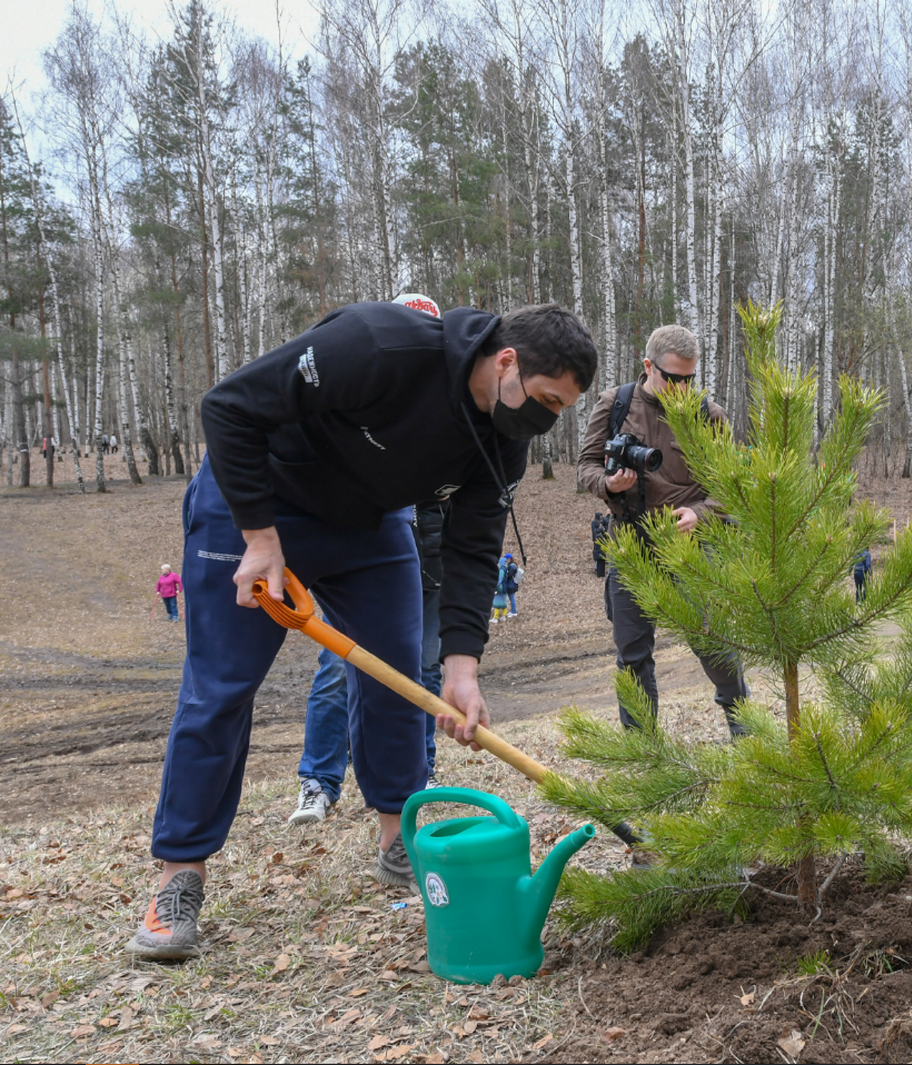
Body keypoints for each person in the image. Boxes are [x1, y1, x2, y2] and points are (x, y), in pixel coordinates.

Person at [127, 299, 594, 961]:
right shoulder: (381, 345)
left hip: (367, 522)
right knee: (221, 687)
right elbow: (228, 407)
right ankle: (179, 876)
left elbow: (472, 548)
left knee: (402, 676)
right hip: (256, 500)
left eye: (560, 411)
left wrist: (462, 666)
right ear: (507, 360)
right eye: (545, 400)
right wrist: (261, 538)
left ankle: (398, 835)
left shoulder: (503, 441)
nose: (544, 421)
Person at [578, 324, 750, 736]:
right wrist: (608, 484)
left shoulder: (709, 415)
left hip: (692, 546)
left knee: (713, 643)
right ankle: (642, 749)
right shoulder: (615, 403)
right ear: (648, 366)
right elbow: (585, 466)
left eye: (690, 379)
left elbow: (733, 487)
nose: (682, 388)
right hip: (632, 542)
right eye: (673, 379)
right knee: (632, 652)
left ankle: (747, 733)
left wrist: (700, 514)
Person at [289, 502, 448, 826]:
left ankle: (421, 773)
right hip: (367, 562)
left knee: (425, 671)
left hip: (437, 569)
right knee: (337, 670)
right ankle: (319, 782)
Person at [499, 552, 522, 619]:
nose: (506, 560)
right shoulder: (512, 565)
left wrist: (505, 574)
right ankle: (512, 611)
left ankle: (514, 612)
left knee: (512, 598)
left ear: (509, 559)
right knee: (511, 598)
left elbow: (509, 575)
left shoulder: (512, 566)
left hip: (511, 585)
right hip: (512, 584)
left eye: (507, 559)